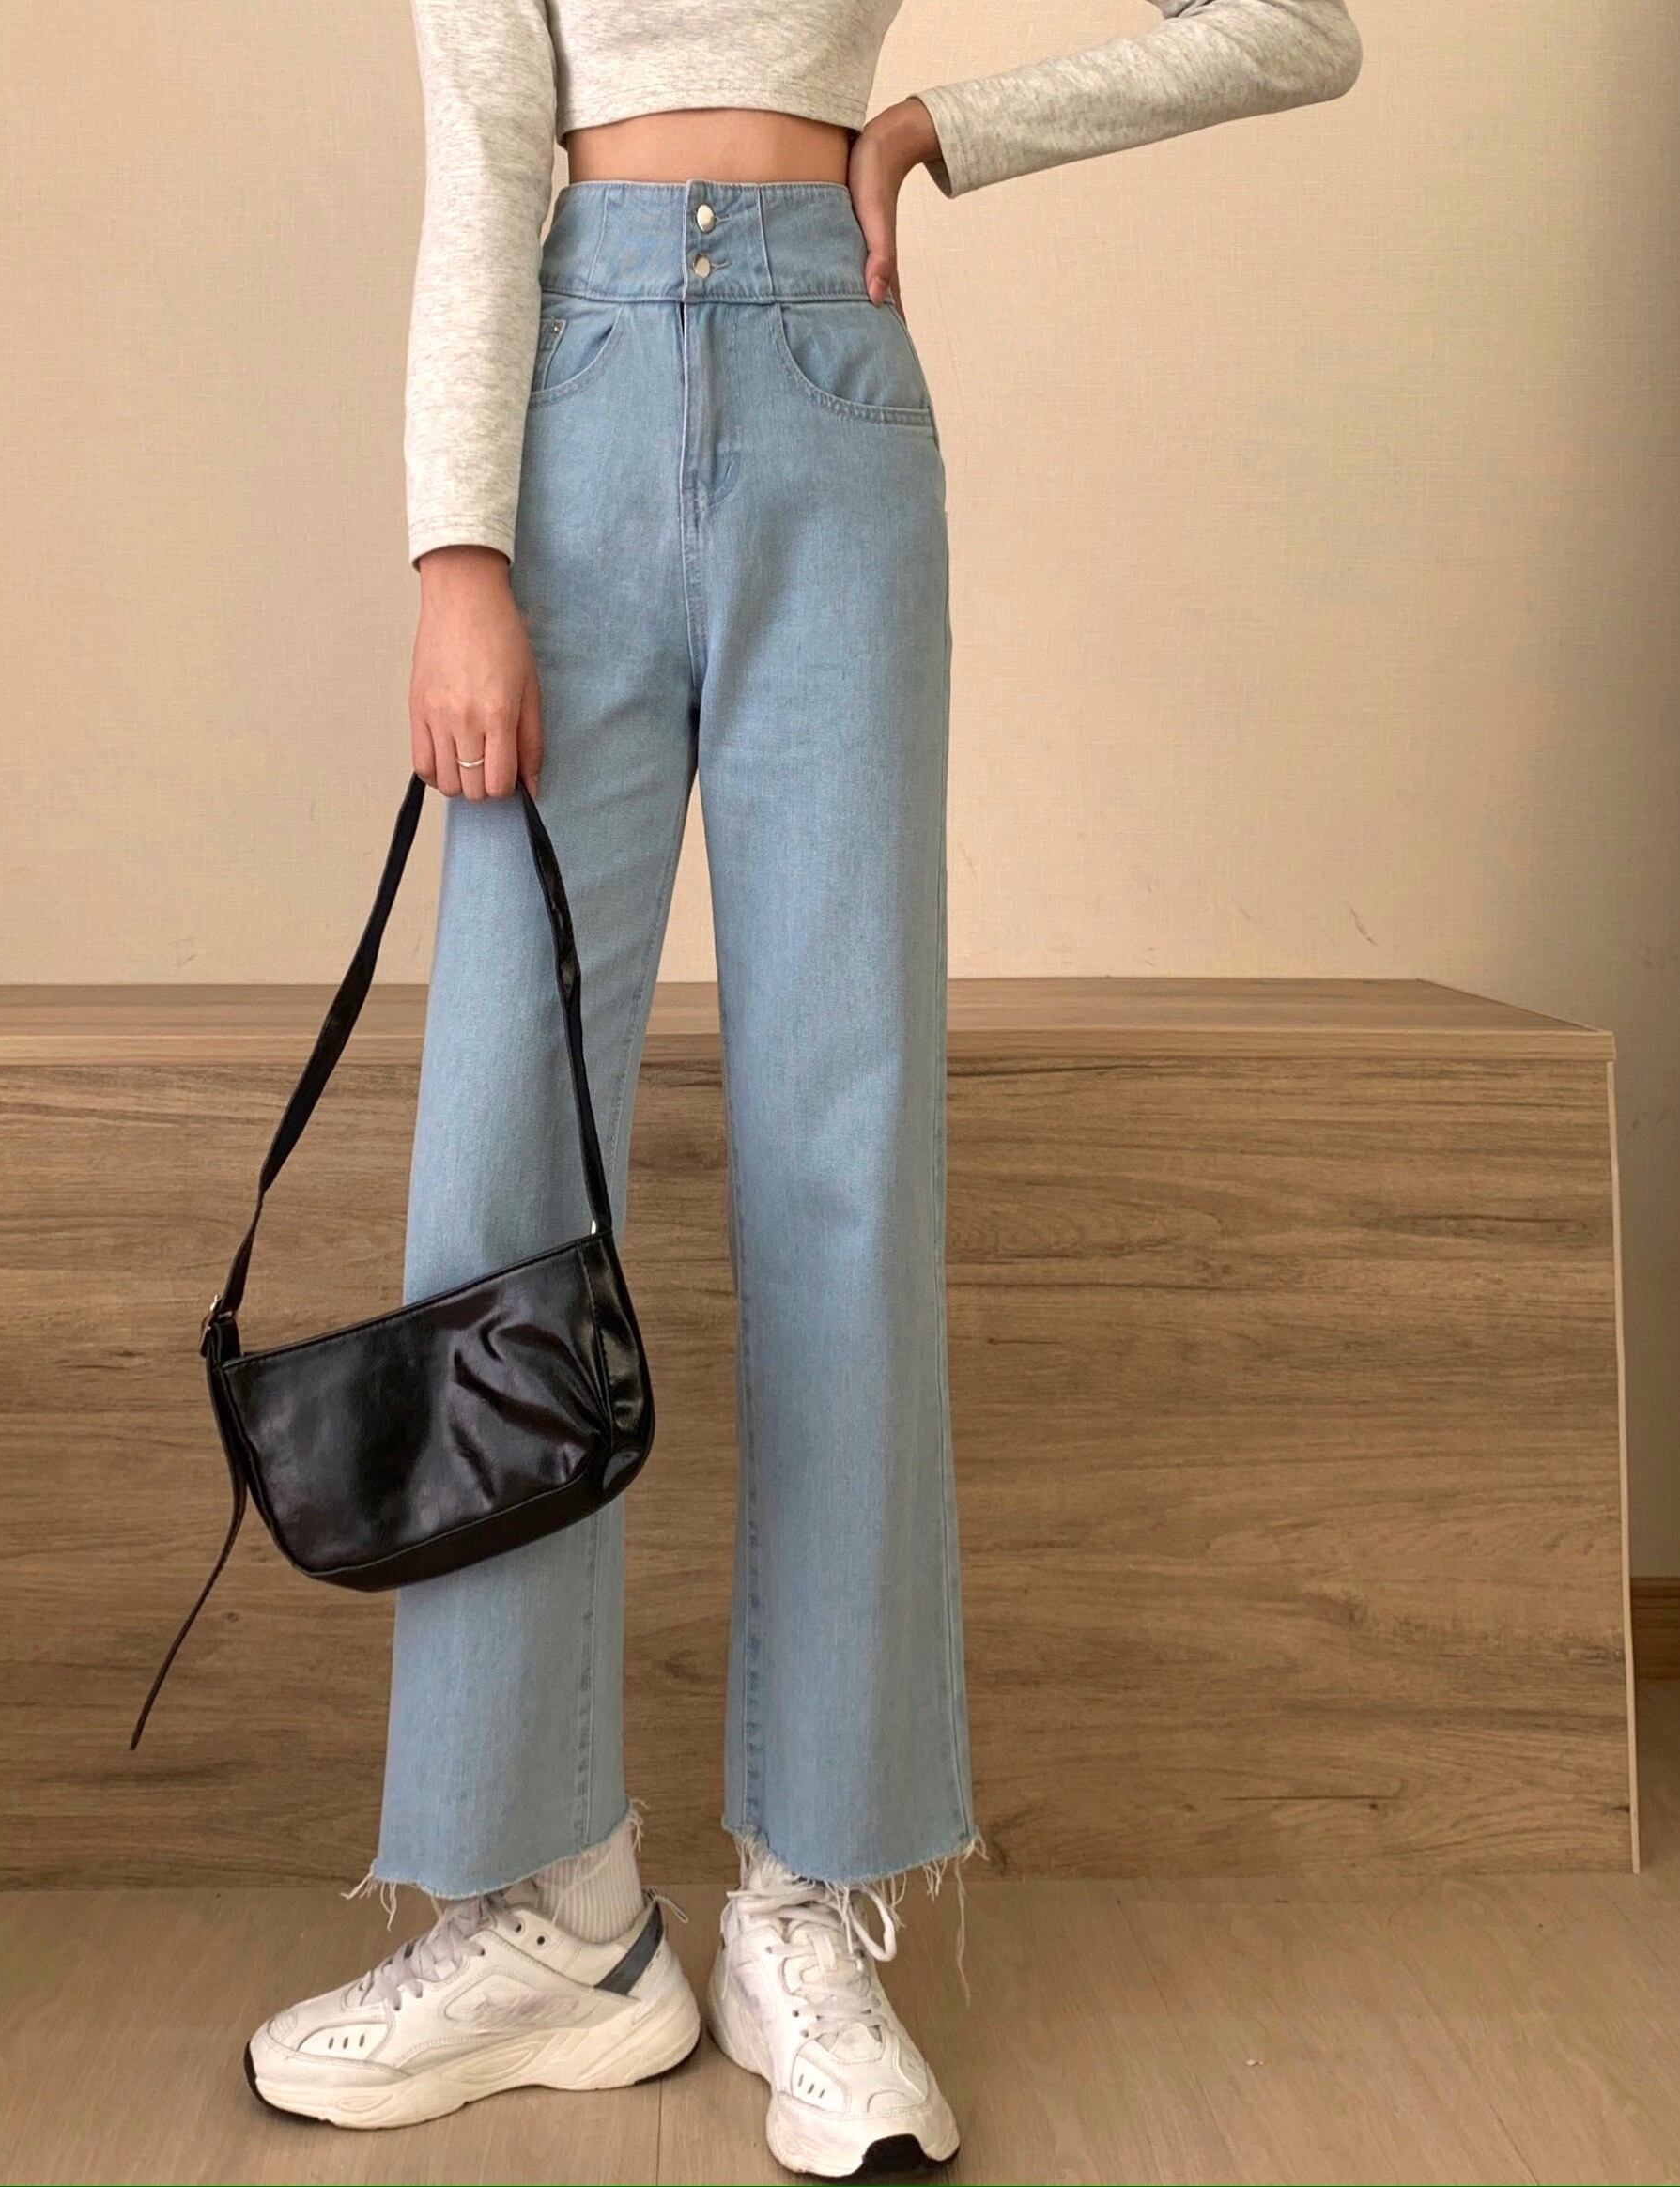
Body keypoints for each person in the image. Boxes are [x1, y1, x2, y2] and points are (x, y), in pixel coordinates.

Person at [245, 2, 1361, 2174]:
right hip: (566, 400)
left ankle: (808, 1904)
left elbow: (1294, 28)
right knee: (499, 1180)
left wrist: (944, 124)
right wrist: (454, 551)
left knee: (846, 1168)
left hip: (826, 403)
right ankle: (546, 1905)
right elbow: (485, 145)